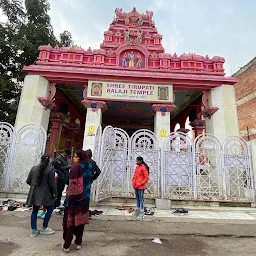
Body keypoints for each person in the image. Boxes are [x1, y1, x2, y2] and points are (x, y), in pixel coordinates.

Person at [62, 150, 92, 252]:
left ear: (79, 157)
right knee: (80, 222)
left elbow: (71, 182)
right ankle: (78, 243)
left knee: (70, 222)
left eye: (75, 156)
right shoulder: (89, 166)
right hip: (85, 198)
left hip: (74, 199)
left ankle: (67, 245)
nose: (74, 158)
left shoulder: (76, 167)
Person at [26, 155, 57, 237]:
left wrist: (34, 186)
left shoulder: (34, 168)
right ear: (49, 161)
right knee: (50, 209)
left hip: (34, 193)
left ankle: (34, 230)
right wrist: (54, 193)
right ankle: (44, 227)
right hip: (46, 194)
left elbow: (28, 181)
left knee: (35, 211)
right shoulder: (51, 170)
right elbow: (52, 184)